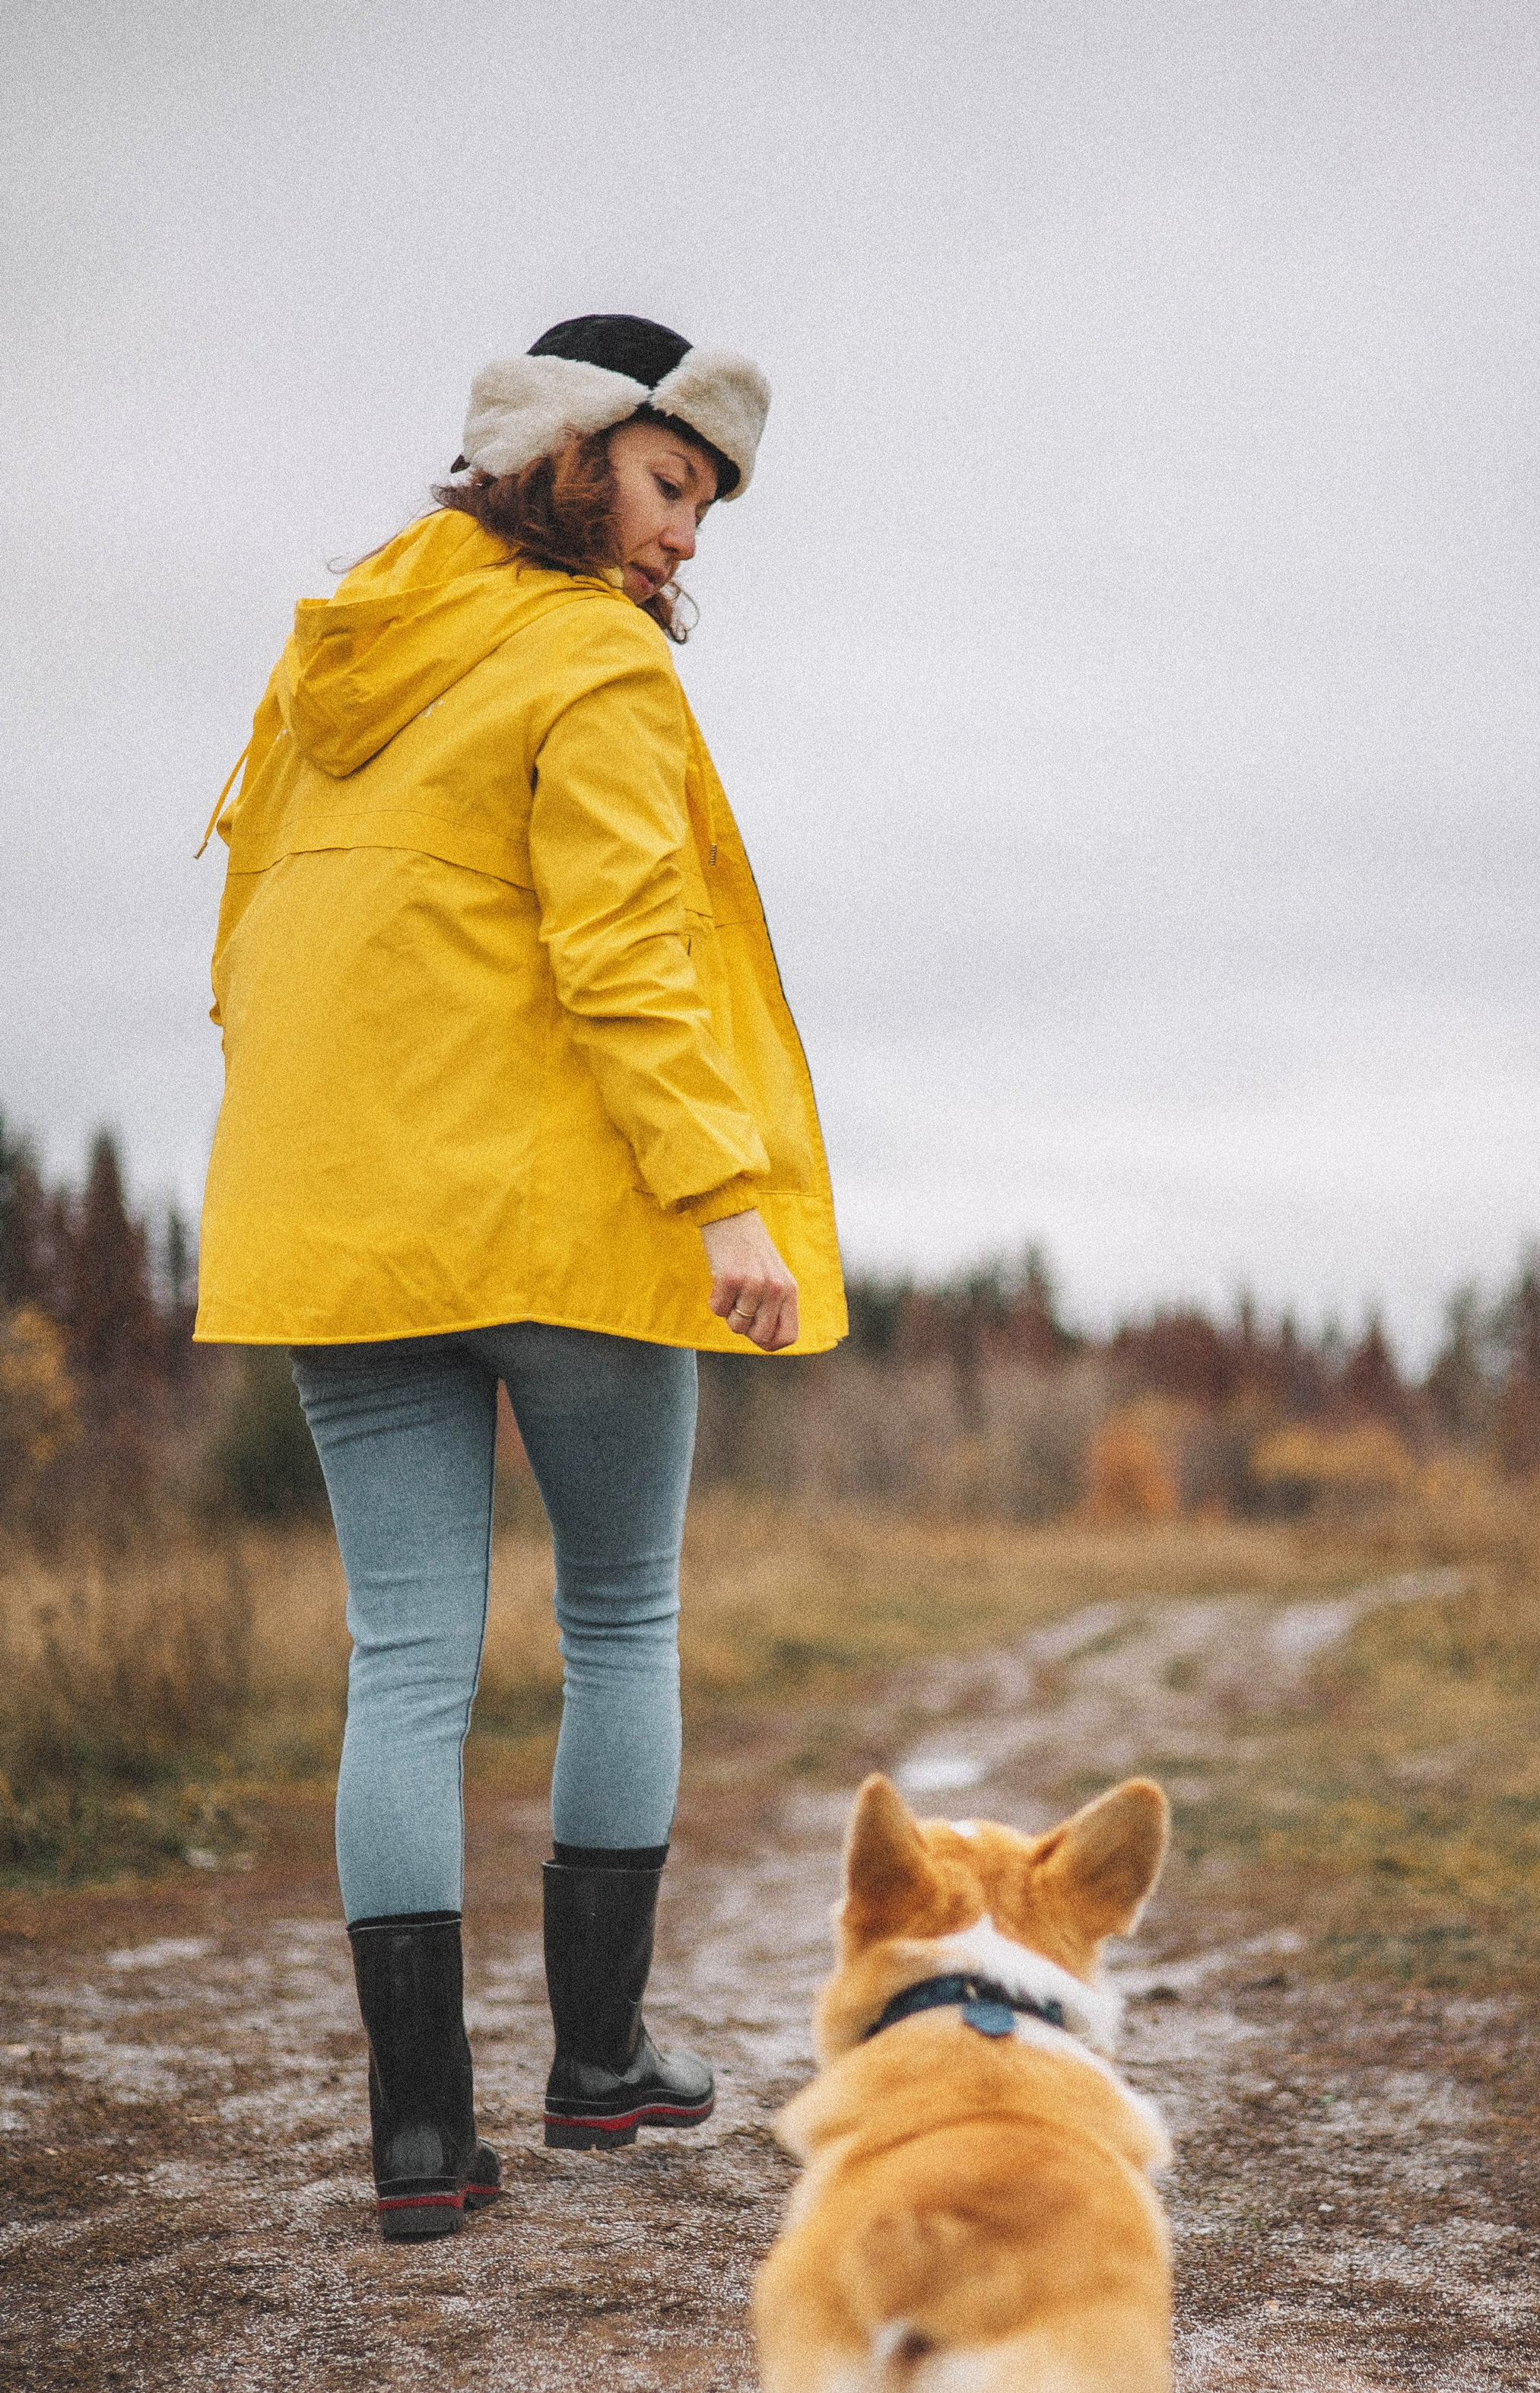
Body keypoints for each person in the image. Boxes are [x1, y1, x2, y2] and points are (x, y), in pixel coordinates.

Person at [194, 312, 845, 2241]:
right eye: (670, 486)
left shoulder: (330, 665)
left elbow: (250, 939)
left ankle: (418, 2140)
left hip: (340, 1226)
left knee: (400, 1663)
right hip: (567, 1222)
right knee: (620, 1622)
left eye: (708, 506)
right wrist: (723, 1196)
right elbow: (627, 953)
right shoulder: (590, 668)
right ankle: (594, 2063)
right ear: (572, 458)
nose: (690, 539)